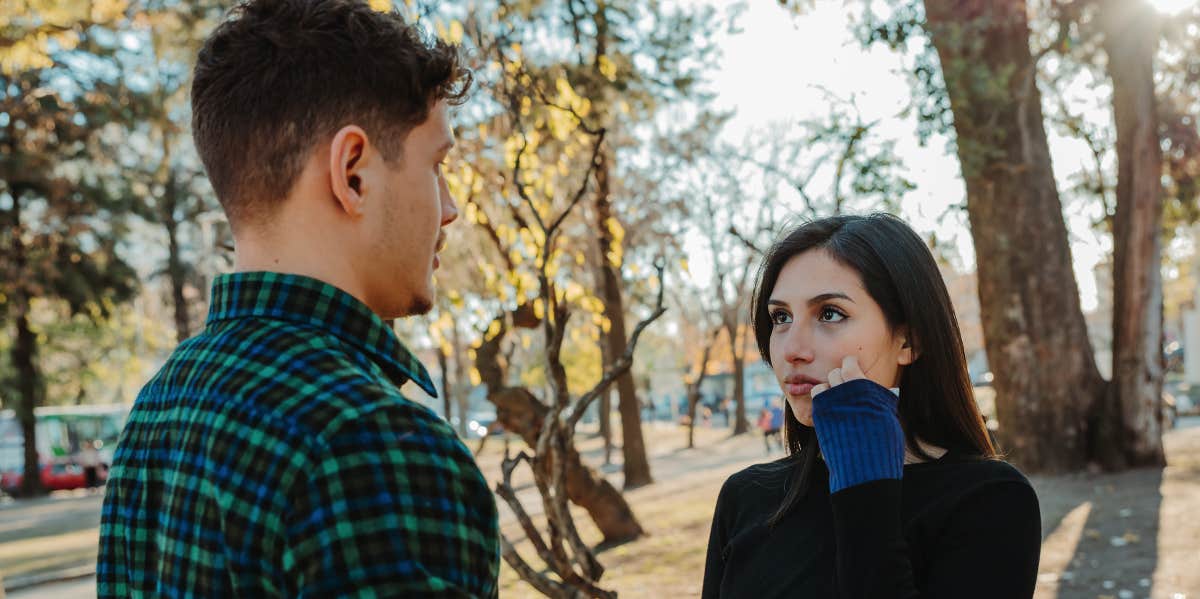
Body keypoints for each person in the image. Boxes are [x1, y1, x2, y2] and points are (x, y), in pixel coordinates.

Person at [98, 0, 499, 596]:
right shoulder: (373, 446)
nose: (449, 208)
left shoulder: (159, 407)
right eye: (435, 165)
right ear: (353, 172)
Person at [702, 214, 1041, 598]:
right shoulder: (746, 496)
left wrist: (863, 487)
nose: (792, 350)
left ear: (908, 341)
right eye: (781, 317)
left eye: (830, 313)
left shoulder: (990, 500)